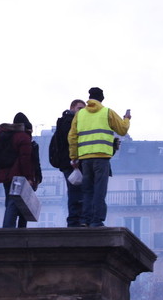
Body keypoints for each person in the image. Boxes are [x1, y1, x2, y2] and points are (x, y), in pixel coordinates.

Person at [68, 87, 131, 227]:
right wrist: (126, 119)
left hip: (84, 158)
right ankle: (97, 220)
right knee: (99, 190)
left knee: (87, 190)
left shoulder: (80, 115)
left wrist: (74, 157)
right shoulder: (107, 112)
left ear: (89, 98)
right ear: (102, 99)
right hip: (101, 158)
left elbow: (72, 136)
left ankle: (85, 220)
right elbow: (122, 130)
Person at [50, 99, 86, 227]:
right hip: (71, 162)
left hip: (69, 162)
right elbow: (70, 140)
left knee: (75, 191)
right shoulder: (69, 121)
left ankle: (76, 219)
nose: (82, 111)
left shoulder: (64, 121)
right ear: (72, 108)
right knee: (76, 192)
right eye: (79, 108)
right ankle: (75, 221)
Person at [0, 113, 36, 228]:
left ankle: (8, 229)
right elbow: (25, 159)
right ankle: (8, 231)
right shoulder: (22, 137)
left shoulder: (5, 136)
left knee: (9, 202)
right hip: (18, 176)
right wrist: (28, 177)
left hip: (5, 175)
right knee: (14, 204)